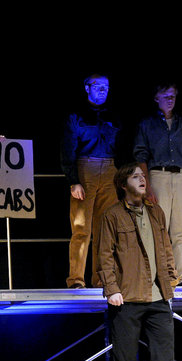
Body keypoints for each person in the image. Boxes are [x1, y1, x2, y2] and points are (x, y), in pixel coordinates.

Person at [97, 162, 182, 361]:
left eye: (143, 175)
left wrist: (171, 281)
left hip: (158, 293)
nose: (142, 179)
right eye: (135, 176)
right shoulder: (112, 215)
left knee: (164, 348)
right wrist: (111, 288)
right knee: (126, 351)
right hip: (127, 294)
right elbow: (104, 254)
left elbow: (166, 248)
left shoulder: (156, 212)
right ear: (123, 184)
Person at [133, 82, 182, 284]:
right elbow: (140, 154)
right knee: (158, 226)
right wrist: (147, 185)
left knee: (179, 228)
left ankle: (181, 274)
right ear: (156, 98)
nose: (170, 100)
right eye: (166, 96)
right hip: (158, 175)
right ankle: (159, 272)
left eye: (173, 96)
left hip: (180, 177)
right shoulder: (147, 124)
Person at [61, 73, 121, 288]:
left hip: (110, 169)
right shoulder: (76, 115)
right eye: (98, 86)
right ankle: (76, 279)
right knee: (81, 228)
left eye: (106, 86)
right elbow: (67, 150)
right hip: (85, 168)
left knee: (105, 229)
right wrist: (73, 180)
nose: (103, 90)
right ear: (87, 88)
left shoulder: (113, 114)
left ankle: (102, 279)